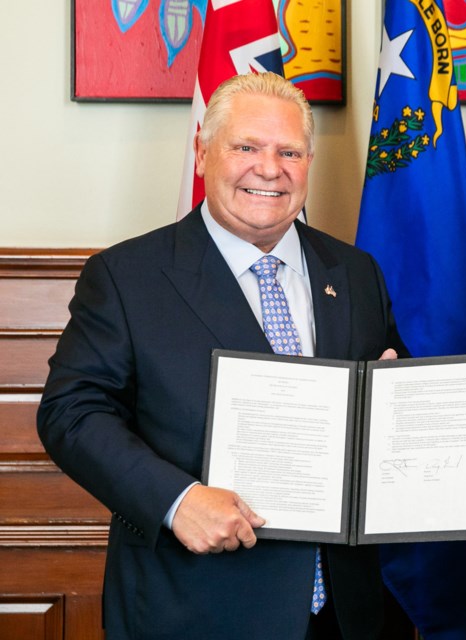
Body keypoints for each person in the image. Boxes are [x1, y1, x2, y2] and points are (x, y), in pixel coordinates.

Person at [37, 72, 406, 639]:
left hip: (345, 613)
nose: (269, 168)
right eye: (247, 147)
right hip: (195, 607)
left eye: (289, 151)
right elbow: (71, 413)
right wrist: (176, 500)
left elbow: (385, 399)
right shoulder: (127, 276)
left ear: (309, 161)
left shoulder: (355, 273)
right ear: (204, 153)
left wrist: (396, 404)